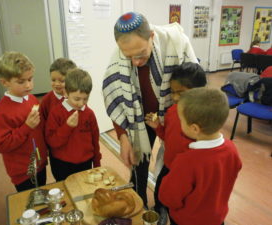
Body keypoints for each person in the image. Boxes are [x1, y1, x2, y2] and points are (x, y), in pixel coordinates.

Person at [102, 11, 198, 208]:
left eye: (140, 54)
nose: (136, 62)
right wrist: (122, 135)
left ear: (151, 37)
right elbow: (116, 97)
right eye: (129, 56)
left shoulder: (176, 43)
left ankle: (163, 205)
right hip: (140, 120)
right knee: (138, 165)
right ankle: (139, 203)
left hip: (175, 118)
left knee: (171, 167)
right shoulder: (118, 57)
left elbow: (195, 86)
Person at [159, 87, 242, 225]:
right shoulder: (232, 149)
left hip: (187, 220)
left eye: (181, 120)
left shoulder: (186, 161)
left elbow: (168, 198)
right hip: (216, 218)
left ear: (195, 128)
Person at [145, 62, 207, 223]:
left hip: (187, 173)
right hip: (169, 166)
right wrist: (158, 127)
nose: (175, 97)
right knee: (160, 192)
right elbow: (167, 136)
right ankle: (160, 210)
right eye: (173, 92)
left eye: (181, 93)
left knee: (181, 202)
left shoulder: (202, 120)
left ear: (200, 91)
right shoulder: (172, 111)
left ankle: (173, 215)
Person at [0, 51, 48, 192]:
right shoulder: (1, 111)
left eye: (30, 79)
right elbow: (2, 145)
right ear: (5, 82)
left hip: (40, 164)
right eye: (21, 82)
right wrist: (26, 127)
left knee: (42, 195)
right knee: (29, 202)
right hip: (22, 171)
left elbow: (39, 130)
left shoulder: (32, 100)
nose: (28, 85)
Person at [45, 68, 101, 181]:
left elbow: (95, 140)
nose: (81, 103)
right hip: (62, 164)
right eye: (77, 99)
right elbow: (52, 142)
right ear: (66, 93)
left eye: (85, 99)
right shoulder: (56, 113)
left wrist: (97, 163)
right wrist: (67, 127)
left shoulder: (89, 114)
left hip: (85, 163)